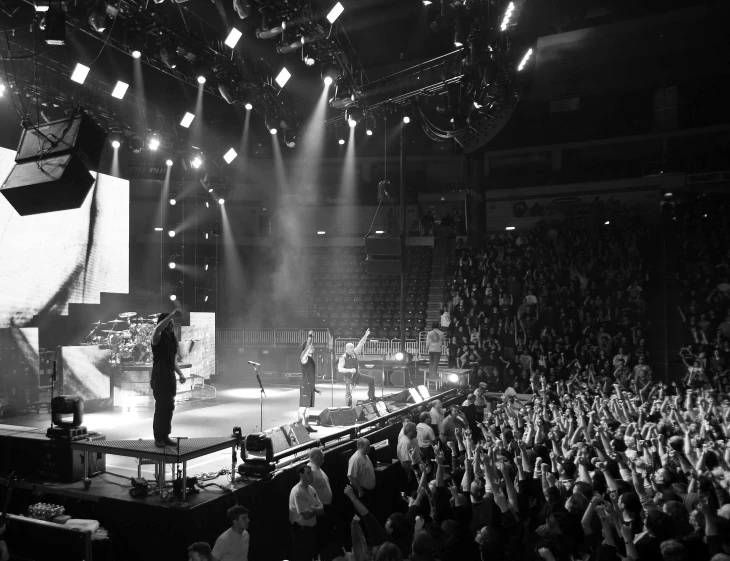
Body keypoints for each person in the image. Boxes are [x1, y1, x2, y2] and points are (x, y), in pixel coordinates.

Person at [151, 309, 186, 448]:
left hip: (170, 375)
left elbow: (173, 360)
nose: (171, 324)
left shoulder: (171, 338)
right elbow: (158, 328)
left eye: (171, 322)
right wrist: (171, 315)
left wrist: (180, 373)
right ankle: (158, 437)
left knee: (169, 407)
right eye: (169, 322)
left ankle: (165, 436)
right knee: (160, 407)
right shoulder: (157, 336)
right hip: (159, 375)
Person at [289, 464, 323, 561]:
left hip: (312, 530)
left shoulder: (311, 489)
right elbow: (306, 515)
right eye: (309, 473)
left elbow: (322, 509)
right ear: (301, 475)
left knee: (313, 555)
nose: (312, 474)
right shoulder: (297, 492)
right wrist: (316, 510)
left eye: (311, 472)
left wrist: (313, 509)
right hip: (302, 532)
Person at [339, 329, 375, 407]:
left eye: (353, 347)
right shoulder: (343, 357)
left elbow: (361, 343)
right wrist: (350, 370)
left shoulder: (355, 353)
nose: (353, 349)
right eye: (351, 348)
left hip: (357, 376)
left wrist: (365, 335)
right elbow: (340, 369)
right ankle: (348, 407)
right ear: (347, 349)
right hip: (349, 378)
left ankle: (371, 397)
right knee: (349, 393)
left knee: (371, 380)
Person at [299, 331, 320, 433]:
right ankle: (299, 427)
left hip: (310, 386)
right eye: (312, 347)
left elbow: (311, 375)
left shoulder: (311, 360)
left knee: (307, 408)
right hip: (305, 386)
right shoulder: (304, 357)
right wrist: (310, 337)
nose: (313, 348)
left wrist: (314, 387)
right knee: (303, 407)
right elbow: (307, 347)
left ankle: (306, 426)